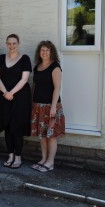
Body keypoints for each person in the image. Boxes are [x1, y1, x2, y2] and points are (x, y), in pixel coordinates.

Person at [0, 34, 32, 169]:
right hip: (4, 98)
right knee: (8, 127)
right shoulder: (0, 58)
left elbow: (24, 79)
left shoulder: (25, 59)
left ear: (18, 43)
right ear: (6, 44)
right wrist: (5, 92)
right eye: (9, 43)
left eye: (14, 43)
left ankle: (18, 157)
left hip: (20, 98)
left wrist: (11, 92)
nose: (11, 46)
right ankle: (10, 155)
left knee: (17, 128)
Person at [30, 41, 65, 172]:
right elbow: (35, 86)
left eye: (47, 50)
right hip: (38, 106)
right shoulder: (37, 67)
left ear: (51, 52)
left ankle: (50, 162)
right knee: (42, 135)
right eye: (42, 50)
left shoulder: (55, 67)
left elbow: (57, 88)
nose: (44, 52)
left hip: (51, 106)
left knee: (51, 135)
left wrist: (53, 107)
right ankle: (43, 159)